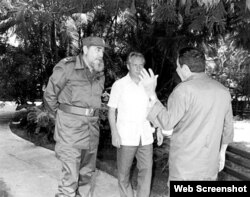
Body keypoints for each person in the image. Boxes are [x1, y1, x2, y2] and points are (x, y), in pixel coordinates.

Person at [139, 47, 234, 181]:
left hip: (185, 168)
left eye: (178, 67)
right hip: (210, 166)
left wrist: (151, 93)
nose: (177, 70)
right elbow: (228, 127)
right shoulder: (223, 91)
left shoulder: (183, 90)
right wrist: (222, 152)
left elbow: (167, 123)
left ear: (185, 69)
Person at [43, 36, 108, 197]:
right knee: (70, 178)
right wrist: (60, 117)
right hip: (70, 130)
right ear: (85, 49)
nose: (100, 54)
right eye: (97, 50)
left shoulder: (99, 72)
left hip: (91, 129)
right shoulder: (67, 67)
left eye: (102, 51)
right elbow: (49, 95)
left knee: (86, 175)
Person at [107, 52, 163, 197]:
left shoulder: (148, 86)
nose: (138, 68)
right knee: (123, 175)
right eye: (134, 65)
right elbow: (111, 110)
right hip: (125, 137)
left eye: (141, 65)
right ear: (128, 66)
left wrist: (158, 128)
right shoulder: (119, 85)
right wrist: (114, 133)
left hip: (145, 136)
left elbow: (152, 108)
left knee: (146, 171)